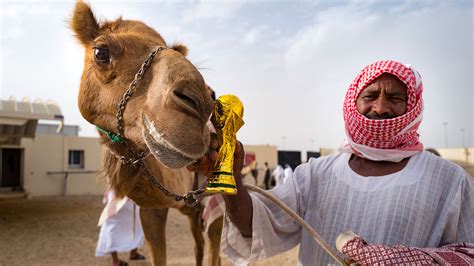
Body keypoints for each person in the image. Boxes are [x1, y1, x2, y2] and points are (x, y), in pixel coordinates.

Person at [187, 60, 473, 265]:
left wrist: (406, 261)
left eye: (395, 98)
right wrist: (231, 177)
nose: (381, 107)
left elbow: (467, 253)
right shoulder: (315, 174)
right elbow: (256, 227)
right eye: (371, 96)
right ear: (353, 104)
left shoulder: (448, 180)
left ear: (412, 108)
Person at [96, 189, 146, 266]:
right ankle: (117, 260)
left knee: (135, 222)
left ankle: (132, 253)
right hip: (121, 194)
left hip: (124, 194)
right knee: (132, 221)